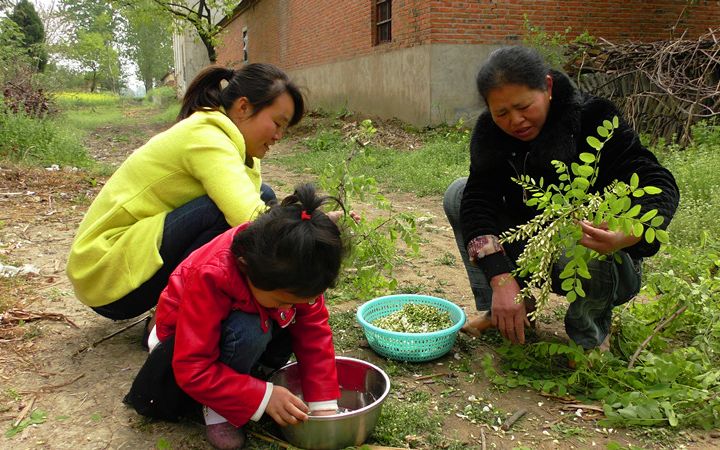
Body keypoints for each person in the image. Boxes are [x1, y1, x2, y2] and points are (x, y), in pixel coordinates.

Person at [443, 46, 679, 350]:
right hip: (536, 245)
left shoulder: (595, 119)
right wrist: (500, 277)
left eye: (524, 106)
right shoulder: (491, 133)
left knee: (574, 236)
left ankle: (590, 335)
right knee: (458, 194)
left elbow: (659, 182)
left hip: (602, 255)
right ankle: (511, 308)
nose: (515, 121)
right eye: (501, 113)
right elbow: (477, 200)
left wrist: (632, 231)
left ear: (548, 87)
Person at [66, 63, 305, 330]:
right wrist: (309, 225)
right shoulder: (206, 136)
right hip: (104, 274)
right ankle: (170, 322)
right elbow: (246, 217)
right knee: (222, 215)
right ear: (243, 107)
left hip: (129, 263)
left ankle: (203, 307)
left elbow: (258, 206)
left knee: (264, 195)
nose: (278, 136)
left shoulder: (240, 148)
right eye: (277, 123)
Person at [124, 184, 349, 450]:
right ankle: (219, 410)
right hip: (180, 346)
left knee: (294, 321)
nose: (299, 304)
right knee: (249, 329)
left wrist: (323, 406)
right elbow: (193, 367)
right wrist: (262, 397)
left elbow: (315, 333)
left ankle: (245, 377)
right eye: (284, 300)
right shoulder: (212, 275)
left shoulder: (299, 267)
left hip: (238, 326)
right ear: (246, 268)